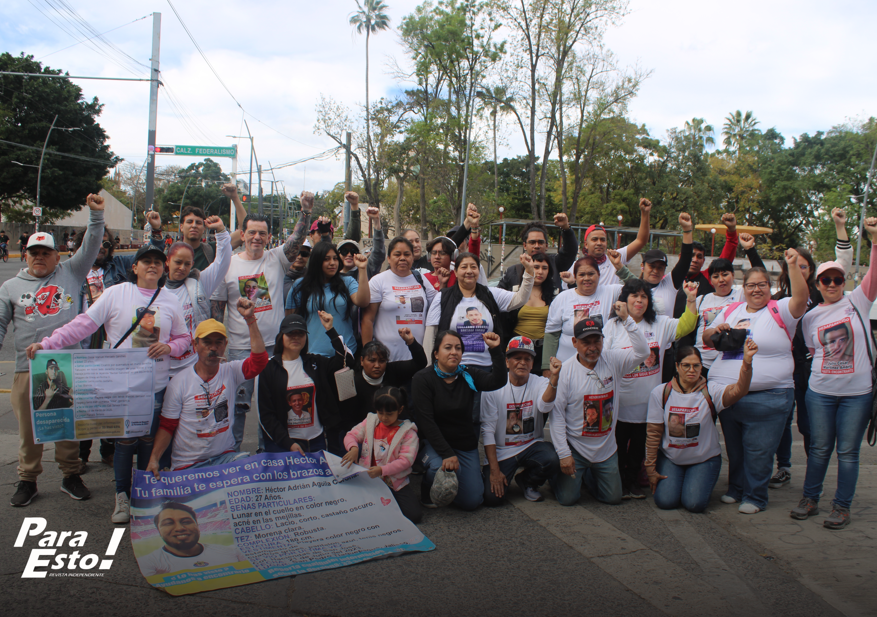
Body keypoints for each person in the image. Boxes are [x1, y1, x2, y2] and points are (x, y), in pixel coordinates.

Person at [31, 242, 190, 523]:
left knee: (149, 440)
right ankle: (122, 495)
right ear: (134, 267)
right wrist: (48, 344)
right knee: (125, 442)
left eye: (157, 261)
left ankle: (145, 494)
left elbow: (184, 338)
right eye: (146, 261)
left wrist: (170, 347)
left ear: (163, 268)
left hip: (154, 387)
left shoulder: (170, 300)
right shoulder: (116, 293)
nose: (152, 265)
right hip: (121, 387)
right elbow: (83, 324)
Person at [1, 194, 105, 507]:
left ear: (57, 256)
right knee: (29, 430)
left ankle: (71, 475)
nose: (39, 257)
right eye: (34, 252)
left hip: (67, 367)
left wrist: (96, 215)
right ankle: (27, 479)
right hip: (26, 368)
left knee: (66, 426)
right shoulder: (9, 287)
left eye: (46, 252)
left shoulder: (71, 272)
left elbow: (92, 244)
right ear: (25, 255)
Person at [702, 249, 809, 514]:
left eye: (762, 284)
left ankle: (755, 496)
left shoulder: (780, 309)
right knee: (735, 449)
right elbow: (706, 338)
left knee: (759, 451)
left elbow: (801, 299)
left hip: (769, 396)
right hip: (728, 395)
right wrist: (717, 330)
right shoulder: (733, 309)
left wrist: (793, 265)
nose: (756, 289)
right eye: (751, 285)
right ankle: (736, 489)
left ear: (770, 287)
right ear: (744, 288)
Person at [790, 219, 877, 529]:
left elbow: (874, 273)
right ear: (817, 284)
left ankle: (841, 507)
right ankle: (810, 499)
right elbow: (814, 351)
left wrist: (874, 240)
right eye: (825, 280)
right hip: (821, 393)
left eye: (837, 279)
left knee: (848, 452)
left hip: (857, 395)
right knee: (819, 449)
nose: (831, 284)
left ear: (844, 281)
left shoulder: (859, 301)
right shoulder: (810, 317)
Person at [210, 192, 314, 451]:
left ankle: (265, 453)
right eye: (252, 232)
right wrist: (218, 350)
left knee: (273, 405)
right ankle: (231, 454)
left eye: (262, 233)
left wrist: (305, 212)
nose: (257, 237)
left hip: (273, 349)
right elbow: (217, 312)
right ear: (242, 234)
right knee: (237, 406)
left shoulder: (276, 258)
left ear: (269, 237)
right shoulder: (227, 266)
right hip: (240, 350)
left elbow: (296, 240)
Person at [768, 208, 853, 489]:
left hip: (809, 369)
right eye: (795, 265)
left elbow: (843, 264)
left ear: (812, 271)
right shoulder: (779, 298)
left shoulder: (820, 295)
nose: (799, 269)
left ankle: (813, 474)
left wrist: (840, 227)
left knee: (807, 425)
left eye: (804, 266)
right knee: (782, 422)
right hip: (784, 368)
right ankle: (783, 467)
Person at [146, 300, 269, 474]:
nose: (213, 348)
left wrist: (250, 319)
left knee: (253, 471)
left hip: (224, 458)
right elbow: (167, 426)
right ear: (195, 345)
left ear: (225, 345)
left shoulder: (231, 371)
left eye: (219, 342)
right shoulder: (179, 383)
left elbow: (259, 362)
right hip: (189, 465)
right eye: (207, 342)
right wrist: (154, 459)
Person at [604, 279, 699, 499]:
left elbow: (687, 325)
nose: (639, 300)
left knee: (639, 445)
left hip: (648, 404)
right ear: (624, 300)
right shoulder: (612, 326)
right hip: (619, 403)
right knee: (618, 444)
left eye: (644, 296)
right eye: (634, 296)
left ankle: (632, 480)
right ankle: (619, 481)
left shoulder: (660, 324)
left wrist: (691, 299)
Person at [550, 303, 649, 506]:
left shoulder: (613, 360)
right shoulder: (565, 371)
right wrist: (564, 454)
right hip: (576, 448)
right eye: (586, 342)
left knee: (613, 498)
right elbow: (557, 415)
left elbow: (643, 353)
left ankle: (588, 476)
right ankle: (557, 475)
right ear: (574, 342)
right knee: (568, 499)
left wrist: (627, 320)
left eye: (597, 341)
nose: (593, 347)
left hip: (606, 449)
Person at [645, 343, 757, 513]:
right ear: (677, 366)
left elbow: (739, 391)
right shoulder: (661, 393)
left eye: (696, 366)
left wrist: (747, 363)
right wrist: (650, 468)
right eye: (686, 365)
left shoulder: (711, 391)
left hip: (704, 459)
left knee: (694, 504)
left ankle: (695, 479)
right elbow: (653, 433)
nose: (692, 370)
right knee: (665, 501)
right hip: (671, 459)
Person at [414, 330, 507, 510]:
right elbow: (426, 422)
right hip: (434, 444)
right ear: (436, 353)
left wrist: (495, 350)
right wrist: (447, 454)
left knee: (471, 502)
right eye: (448, 347)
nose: (454, 352)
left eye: (458, 348)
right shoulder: (423, 379)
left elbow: (498, 381)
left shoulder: (468, 374)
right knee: (439, 467)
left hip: (464, 445)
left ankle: (452, 485)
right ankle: (428, 487)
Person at [258, 312, 354, 455]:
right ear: (281, 336)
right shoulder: (268, 368)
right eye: (290, 333)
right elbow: (265, 415)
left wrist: (331, 330)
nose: (296, 337)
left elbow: (346, 361)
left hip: (317, 441)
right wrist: (288, 443)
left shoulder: (315, 362)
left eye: (300, 333)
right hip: (284, 445)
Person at [481, 337, 562, 505]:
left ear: (532, 364)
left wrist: (554, 379)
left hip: (530, 446)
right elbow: (487, 430)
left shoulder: (541, 382)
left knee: (552, 458)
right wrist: (494, 471)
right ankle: (492, 474)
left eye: (527, 359)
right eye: (517, 358)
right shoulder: (493, 386)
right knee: (492, 499)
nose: (522, 363)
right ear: (507, 362)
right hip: (503, 450)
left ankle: (528, 481)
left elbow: (545, 407)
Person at [424, 251, 535, 369]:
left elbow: (520, 299)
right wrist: (429, 368)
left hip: (487, 368)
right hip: (452, 368)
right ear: (455, 272)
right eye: (464, 267)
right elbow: (431, 334)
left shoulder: (491, 294)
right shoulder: (442, 297)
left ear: (478, 271)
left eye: (473, 267)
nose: (469, 271)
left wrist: (529, 272)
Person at [163, 217, 232, 376]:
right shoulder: (155, 291)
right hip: (163, 371)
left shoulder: (198, 285)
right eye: (177, 262)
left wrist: (221, 231)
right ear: (167, 261)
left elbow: (222, 263)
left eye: (187, 264)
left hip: (193, 368)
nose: (182, 268)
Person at [342, 386, 421, 523]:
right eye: (380, 412)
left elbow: (406, 461)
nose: (384, 417)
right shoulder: (370, 422)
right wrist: (353, 448)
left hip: (394, 481)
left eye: (389, 414)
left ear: (400, 410)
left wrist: (382, 470)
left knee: (414, 515)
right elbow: (351, 435)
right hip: (368, 479)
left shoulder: (408, 432)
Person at [285, 241, 370, 357]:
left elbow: (363, 302)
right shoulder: (300, 285)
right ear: (316, 261)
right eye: (326, 259)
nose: (332, 263)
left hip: (345, 355)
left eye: (335, 258)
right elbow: (290, 320)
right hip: (312, 355)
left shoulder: (347, 281)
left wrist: (362, 269)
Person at [362, 237, 438, 362]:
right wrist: (368, 355)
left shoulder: (421, 280)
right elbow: (367, 320)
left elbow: (437, 305)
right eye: (397, 254)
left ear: (412, 258)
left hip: (418, 359)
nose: (402, 258)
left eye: (407, 254)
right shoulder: (378, 281)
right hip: (386, 359)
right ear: (388, 258)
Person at [543, 256, 623, 367]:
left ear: (599, 275)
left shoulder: (611, 292)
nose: (587, 278)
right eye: (582, 275)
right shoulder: (562, 298)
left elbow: (638, 288)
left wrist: (620, 267)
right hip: (566, 366)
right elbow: (551, 334)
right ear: (575, 277)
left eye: (591, 274)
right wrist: (547, 367)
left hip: (601, 366)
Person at [138, 501, 248, 577]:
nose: (180, 528)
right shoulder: (149, 563)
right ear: (158, 530)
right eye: (168, 523)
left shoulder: (232, 552)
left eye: (186, 522)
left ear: (197, 525)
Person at [563, 198, 653, 286]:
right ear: (586, 244)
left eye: (603, 240)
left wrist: (645, 213)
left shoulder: (615, 259)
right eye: (594, 239)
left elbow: (641, 241)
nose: (599, 243)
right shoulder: (576, 266)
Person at [671, 213, 740, 321]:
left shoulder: (709, 277)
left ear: (703, 261)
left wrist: (731, 230)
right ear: (681, 257)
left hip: (701, 329)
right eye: (691, 256)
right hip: (673, 329)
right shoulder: (670, 279)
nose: (695, 260)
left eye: (699, 257)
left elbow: (726, 257)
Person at [502, 252, 557, 374]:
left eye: (544, 268)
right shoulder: (516, 293)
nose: (540, 272)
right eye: (536, 267)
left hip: (543, 352)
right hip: (517, 349)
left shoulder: (554, 296)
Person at [353, 330, 427, 422]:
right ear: (362, 361)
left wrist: (411, 342)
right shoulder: (354, 383)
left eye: (382, 361)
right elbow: (349, 417)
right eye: (372, 361)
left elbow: (420, 363)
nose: (377, 365)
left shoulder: (393, 370)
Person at [498, 212, 578, 292]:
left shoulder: (555, 263)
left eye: (540, 242)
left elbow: (570, 251)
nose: (536, 246)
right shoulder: (513, 271)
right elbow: (498, 295)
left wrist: (566, 229)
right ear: (525, 245)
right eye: (532, 242)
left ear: (546, 245)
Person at [179, 183, 246, 271]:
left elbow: (244, 230)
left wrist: (235, 197)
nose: (194, 225)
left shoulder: (213, 250)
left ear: (204, 228)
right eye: (189, 222)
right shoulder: (171, 253)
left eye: (198, 223)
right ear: (181, 227)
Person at [337, 192, 385, 280]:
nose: (349, 255)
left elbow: (378, 253)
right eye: (344, 251)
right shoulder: (331, 274)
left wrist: (376, 221)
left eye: (353, 251)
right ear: (337, 254)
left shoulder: (366, 269)